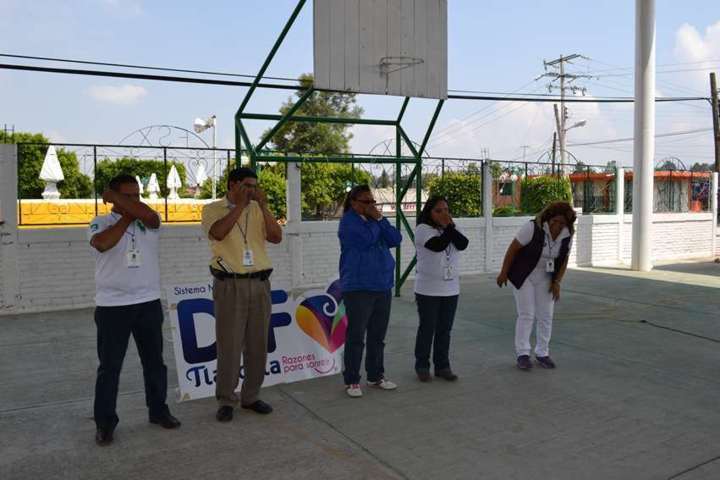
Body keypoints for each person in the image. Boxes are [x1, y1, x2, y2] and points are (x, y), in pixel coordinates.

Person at [89, 174, 180, 447]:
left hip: (148, 302)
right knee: (110, 368)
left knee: (154, 363)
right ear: (114, 197)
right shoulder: (100, 222)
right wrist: (127, 215)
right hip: (112, 306)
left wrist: (125, 205)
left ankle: (158, 410)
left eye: (137, 195)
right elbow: (102, 243)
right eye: (127, 196)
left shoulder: (149, 220)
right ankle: (105, 423)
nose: (135, 200)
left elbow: (152, 218)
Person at [201, 168, 282, 422]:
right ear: (232, 185)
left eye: (254, 186)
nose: (252, 190)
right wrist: (239, 206)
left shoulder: (258, 209)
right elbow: (218, 233)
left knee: (258, 344)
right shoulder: (212, 209)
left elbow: (276, 237)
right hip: (230, 285)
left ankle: (251, 396)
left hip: (259, 283)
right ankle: (226, 399)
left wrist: (264, 206)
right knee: (230, 345)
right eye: (247, 185)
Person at [338, 185, 402, 398]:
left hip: (382, 284)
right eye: (366, 202)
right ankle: (352, 380)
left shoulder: (376, 220)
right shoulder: (348, 222)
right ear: (353, 203)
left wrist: (380, 220)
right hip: (359, 287)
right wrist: (378, 222)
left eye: (373, 201)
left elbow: (396, 239)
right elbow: (366, 240)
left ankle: (375, 375)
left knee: (377, 335)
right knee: (356, 336)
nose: (371, 206)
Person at [496, 201, 577, 370]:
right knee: (527, 314)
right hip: (524, 274)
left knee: (546, 315)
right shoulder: (532, 227)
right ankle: (523, 354)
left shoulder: (567, 235)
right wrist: (504, 272)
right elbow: (512, 249)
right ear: (549, 217)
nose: (557, 225)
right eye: (554, 220)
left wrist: (557, 282)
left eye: (561, 223)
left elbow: (564, 260)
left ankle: (542, 353)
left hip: (546, 276)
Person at [413, 197, 469, 382]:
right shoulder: (423, 229)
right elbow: (438, 246)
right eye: (438, 211)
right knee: (427, 328)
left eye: (446, 210)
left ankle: (442, 366)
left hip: (451, 289)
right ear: (429, 212)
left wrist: (449, 227)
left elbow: (463, 244)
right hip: (428, 289)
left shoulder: (453, 227)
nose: (444, 214)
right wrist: (448, 228)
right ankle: (422, 365)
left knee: (445, 329)